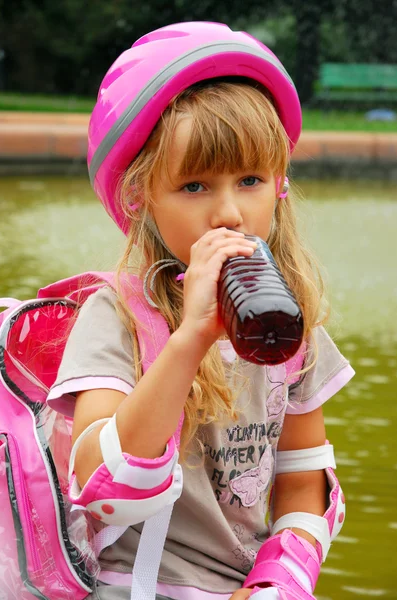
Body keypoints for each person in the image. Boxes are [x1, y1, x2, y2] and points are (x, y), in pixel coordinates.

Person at [47, 21, 354, 600]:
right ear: (141, 195)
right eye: (194, 186)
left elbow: (303, 482)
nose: (230, 213)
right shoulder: (116, 316)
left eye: (250, 180)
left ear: (279, 186)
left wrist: (278, 583)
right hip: (136, 585)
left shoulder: (293, 329)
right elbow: (101, 484)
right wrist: (188, 338)